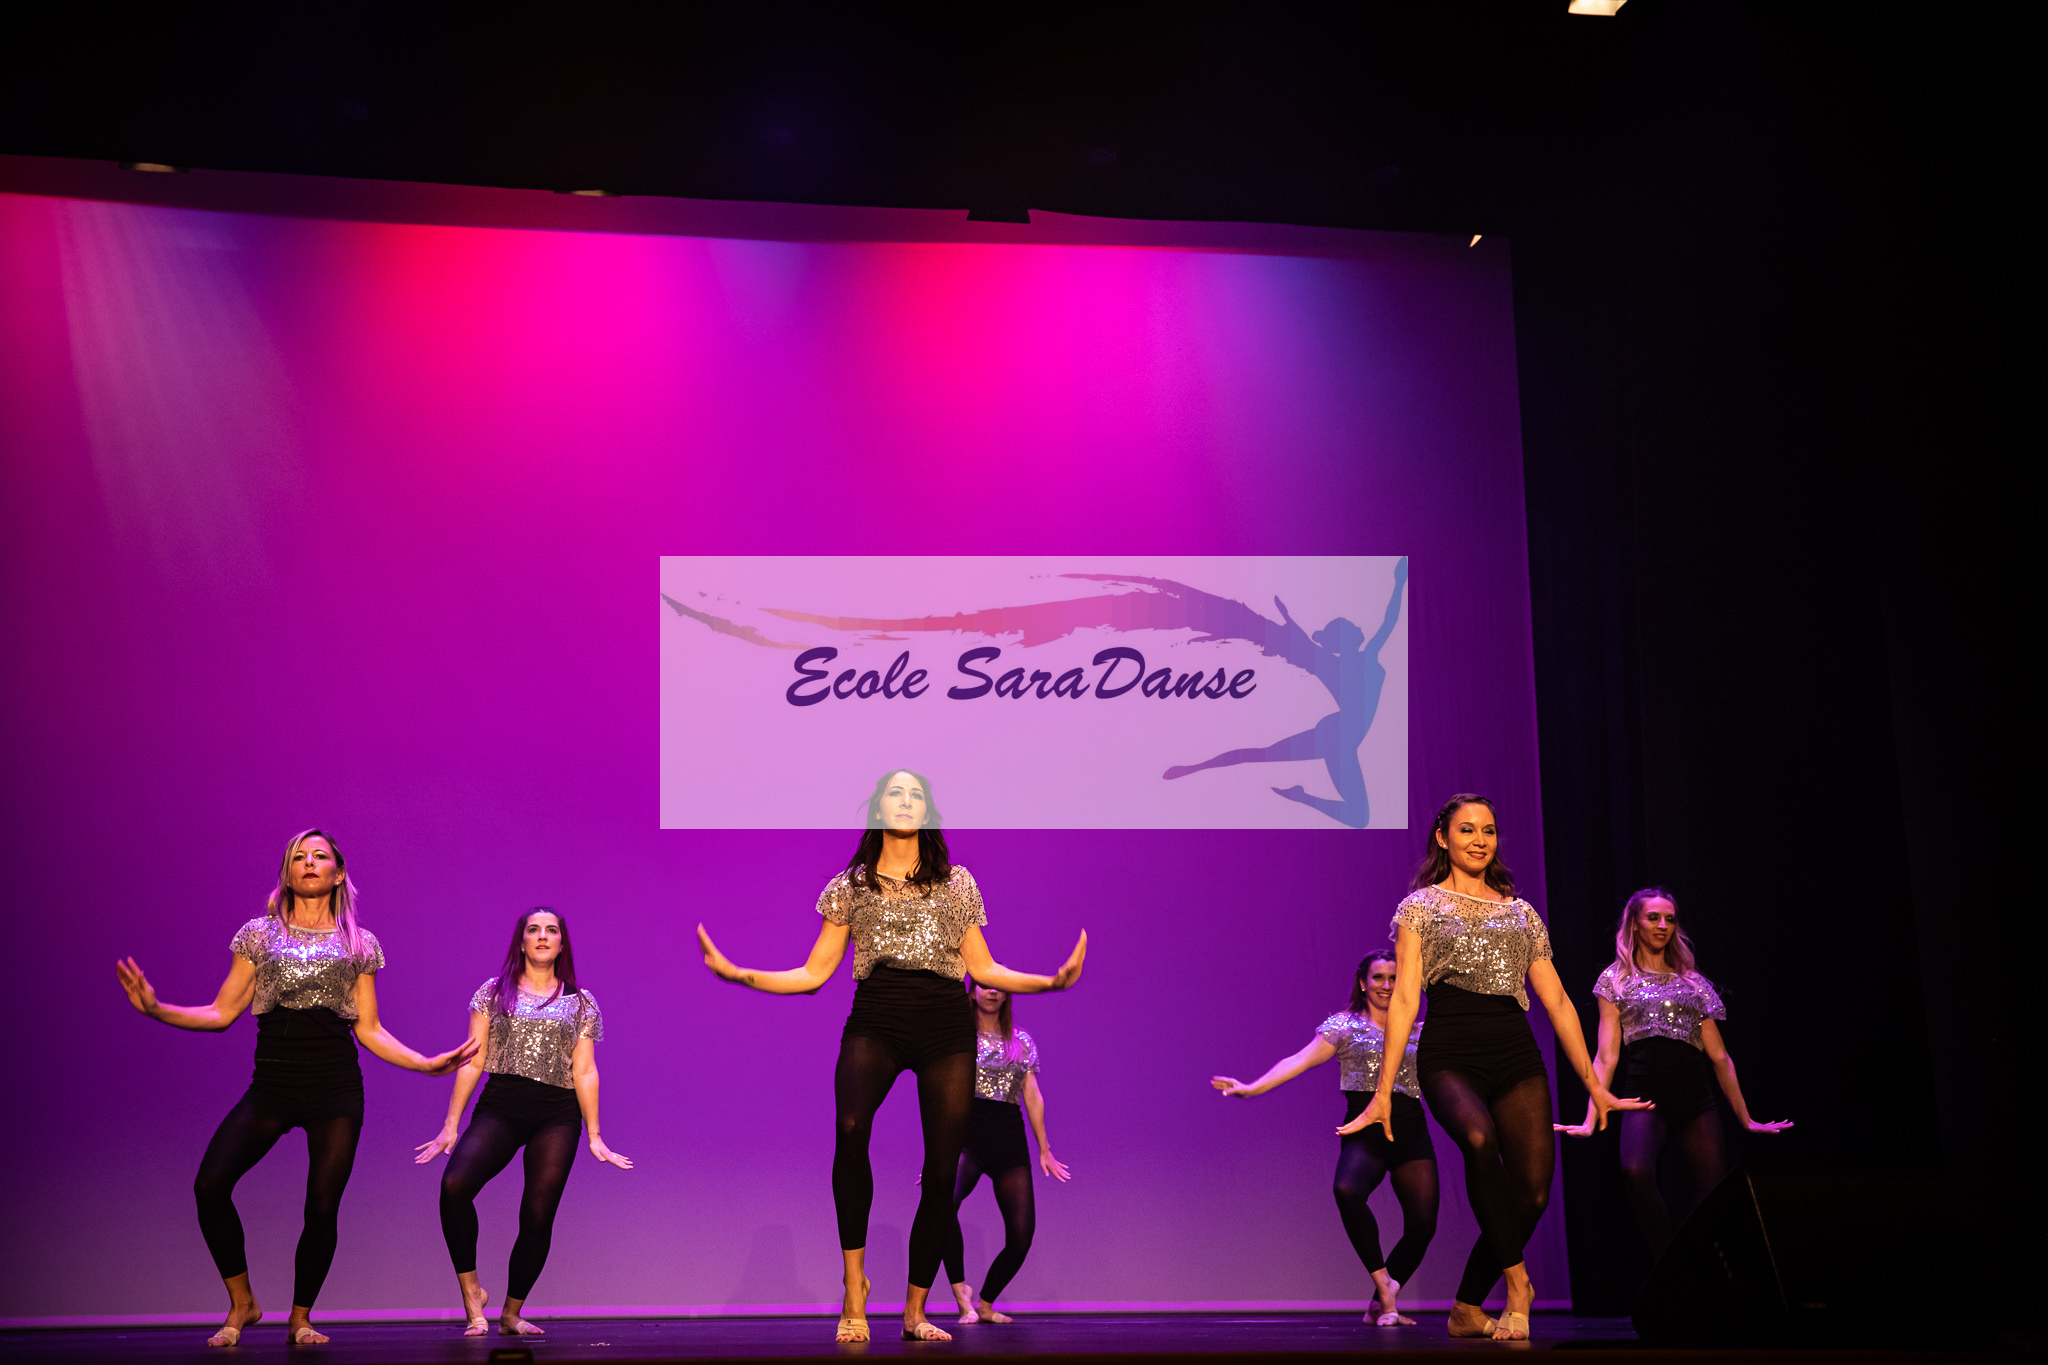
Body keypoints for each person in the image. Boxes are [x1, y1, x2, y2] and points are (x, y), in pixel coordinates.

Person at [697, 768, 1086, 1343]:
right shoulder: (850, 885)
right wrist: (740, 974)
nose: (905, 800)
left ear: (928, 812)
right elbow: (812, 974)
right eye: (895, 792)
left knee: (941, 1168)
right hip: (878, 1015)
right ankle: (855, 1287)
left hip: (944, 1024)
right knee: (851, 1128)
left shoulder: (957, 883)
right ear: (878, 807)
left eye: (916, 793)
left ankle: (915, 1310)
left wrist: (1050, 982)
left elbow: (984, 967)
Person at [114, 830, 474, 1347]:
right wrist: (157, 1009)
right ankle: (243, 1302)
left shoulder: (359, 943)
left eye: (319, 856)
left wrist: (424, 1064)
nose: (308, 862)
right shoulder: (259, 935)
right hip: (273, 1087)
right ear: (287, 873)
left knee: (322, 1206)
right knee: (209, 1186)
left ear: (338, 872)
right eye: (298, 857)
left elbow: (370, 1028)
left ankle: (300, 1318)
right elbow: (221, 1013)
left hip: (335, 1090)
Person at [1342, 794, 1646, 1342]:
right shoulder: (1419, 907)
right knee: (1479, 1140)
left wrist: (1595, 1085)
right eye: (1467, 830)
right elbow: (1406, 998)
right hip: (1449, 1052)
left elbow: (1557, 1001)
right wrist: (1384, 1090)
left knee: (1533, 1195)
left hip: (1514, 1051)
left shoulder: (1520, 913)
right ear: (1443, 838)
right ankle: (1518, 1282)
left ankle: (1465, 1307)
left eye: (1488, 830)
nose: (1479, 840)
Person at [416, 908, 632, 1336]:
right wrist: (450, 1124)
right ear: (521, 942)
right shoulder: (493, 992)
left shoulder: (581, 1002)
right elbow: (473, 1059)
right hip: (503, 1105)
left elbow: (585, 1070)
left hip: (557, 1112)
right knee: (454, 1186)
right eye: (534, 930)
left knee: (537, 1212)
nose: (543, 936)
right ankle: (473, 1293)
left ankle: (511, 1313)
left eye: (552, 930)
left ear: (562, 944)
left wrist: (595, 1134)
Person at [1556, 888, 1791, 1259]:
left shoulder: (1692, 982)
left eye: (1669, 919)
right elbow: (1606, 1056)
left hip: (1696, 1100)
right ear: (1635, 923)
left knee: (1713, 1194)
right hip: (1645, 1097)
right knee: (1635, 1170)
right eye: (1653, 917)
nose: (1663, 925)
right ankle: (1670, 1261)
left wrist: (1746, 1119)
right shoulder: (1615, 980)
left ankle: (1696, 1265)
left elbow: (1720, 1057)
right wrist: (1591, 1117)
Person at [1212, 948, 1439, 1326]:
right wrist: (1252, 1088)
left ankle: (1382, 1300)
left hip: (1410, 1131)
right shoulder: (1344, 1026)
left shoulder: (1419, 1029)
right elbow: (1298, 1060)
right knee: (1347, 1190)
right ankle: (1384, 1287)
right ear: (1363, 983)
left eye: (1394, 978)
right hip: (1364, 1132)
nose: (1386, 985)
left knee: (1423, 1224)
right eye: (1378, 977)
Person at [941, 980, 1071, 1324]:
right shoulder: (959, 1036)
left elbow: (1033, 1095)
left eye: (998, 986)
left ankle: (985, 1303)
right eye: (984, 985)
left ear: (1007, 994)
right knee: (941, 1203)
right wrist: (937, 1155)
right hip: (968, 1135)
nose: (992, 991)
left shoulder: (1021, 1041)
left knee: (1021, 1235)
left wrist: (1045, 1149)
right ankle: (961, 1292)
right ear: (972, 992)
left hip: (1008, 1140)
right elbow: (943, 1094)